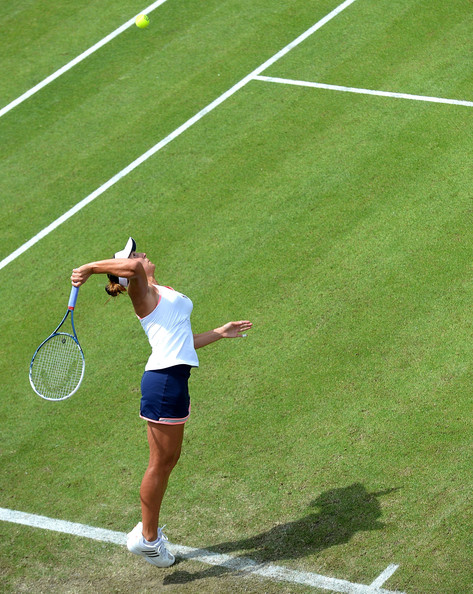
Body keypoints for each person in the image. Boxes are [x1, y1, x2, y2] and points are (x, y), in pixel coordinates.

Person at [71, 237, 252, 568]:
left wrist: (218, 333)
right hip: (164, 383)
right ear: (127, 274)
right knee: (160, 463)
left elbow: (183, 341)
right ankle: (149, 539)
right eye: (134, 256)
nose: (141, 255)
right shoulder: (141, 290)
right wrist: (90, 268)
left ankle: (148, 533)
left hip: (173, 380)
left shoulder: (160, 290)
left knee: (167, 462)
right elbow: (134, 267)